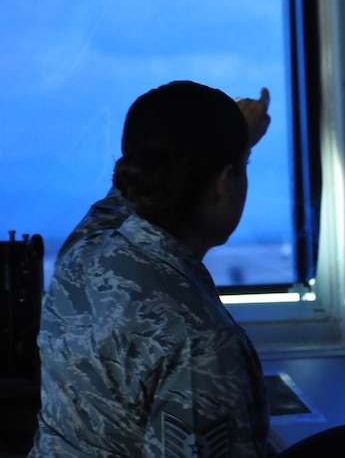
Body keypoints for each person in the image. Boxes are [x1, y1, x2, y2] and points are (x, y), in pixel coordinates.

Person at [30, 81, 276, 457]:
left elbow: (124, 201)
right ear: (226, 183)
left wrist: (234, 143)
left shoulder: (81, 255)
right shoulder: (201, 341)